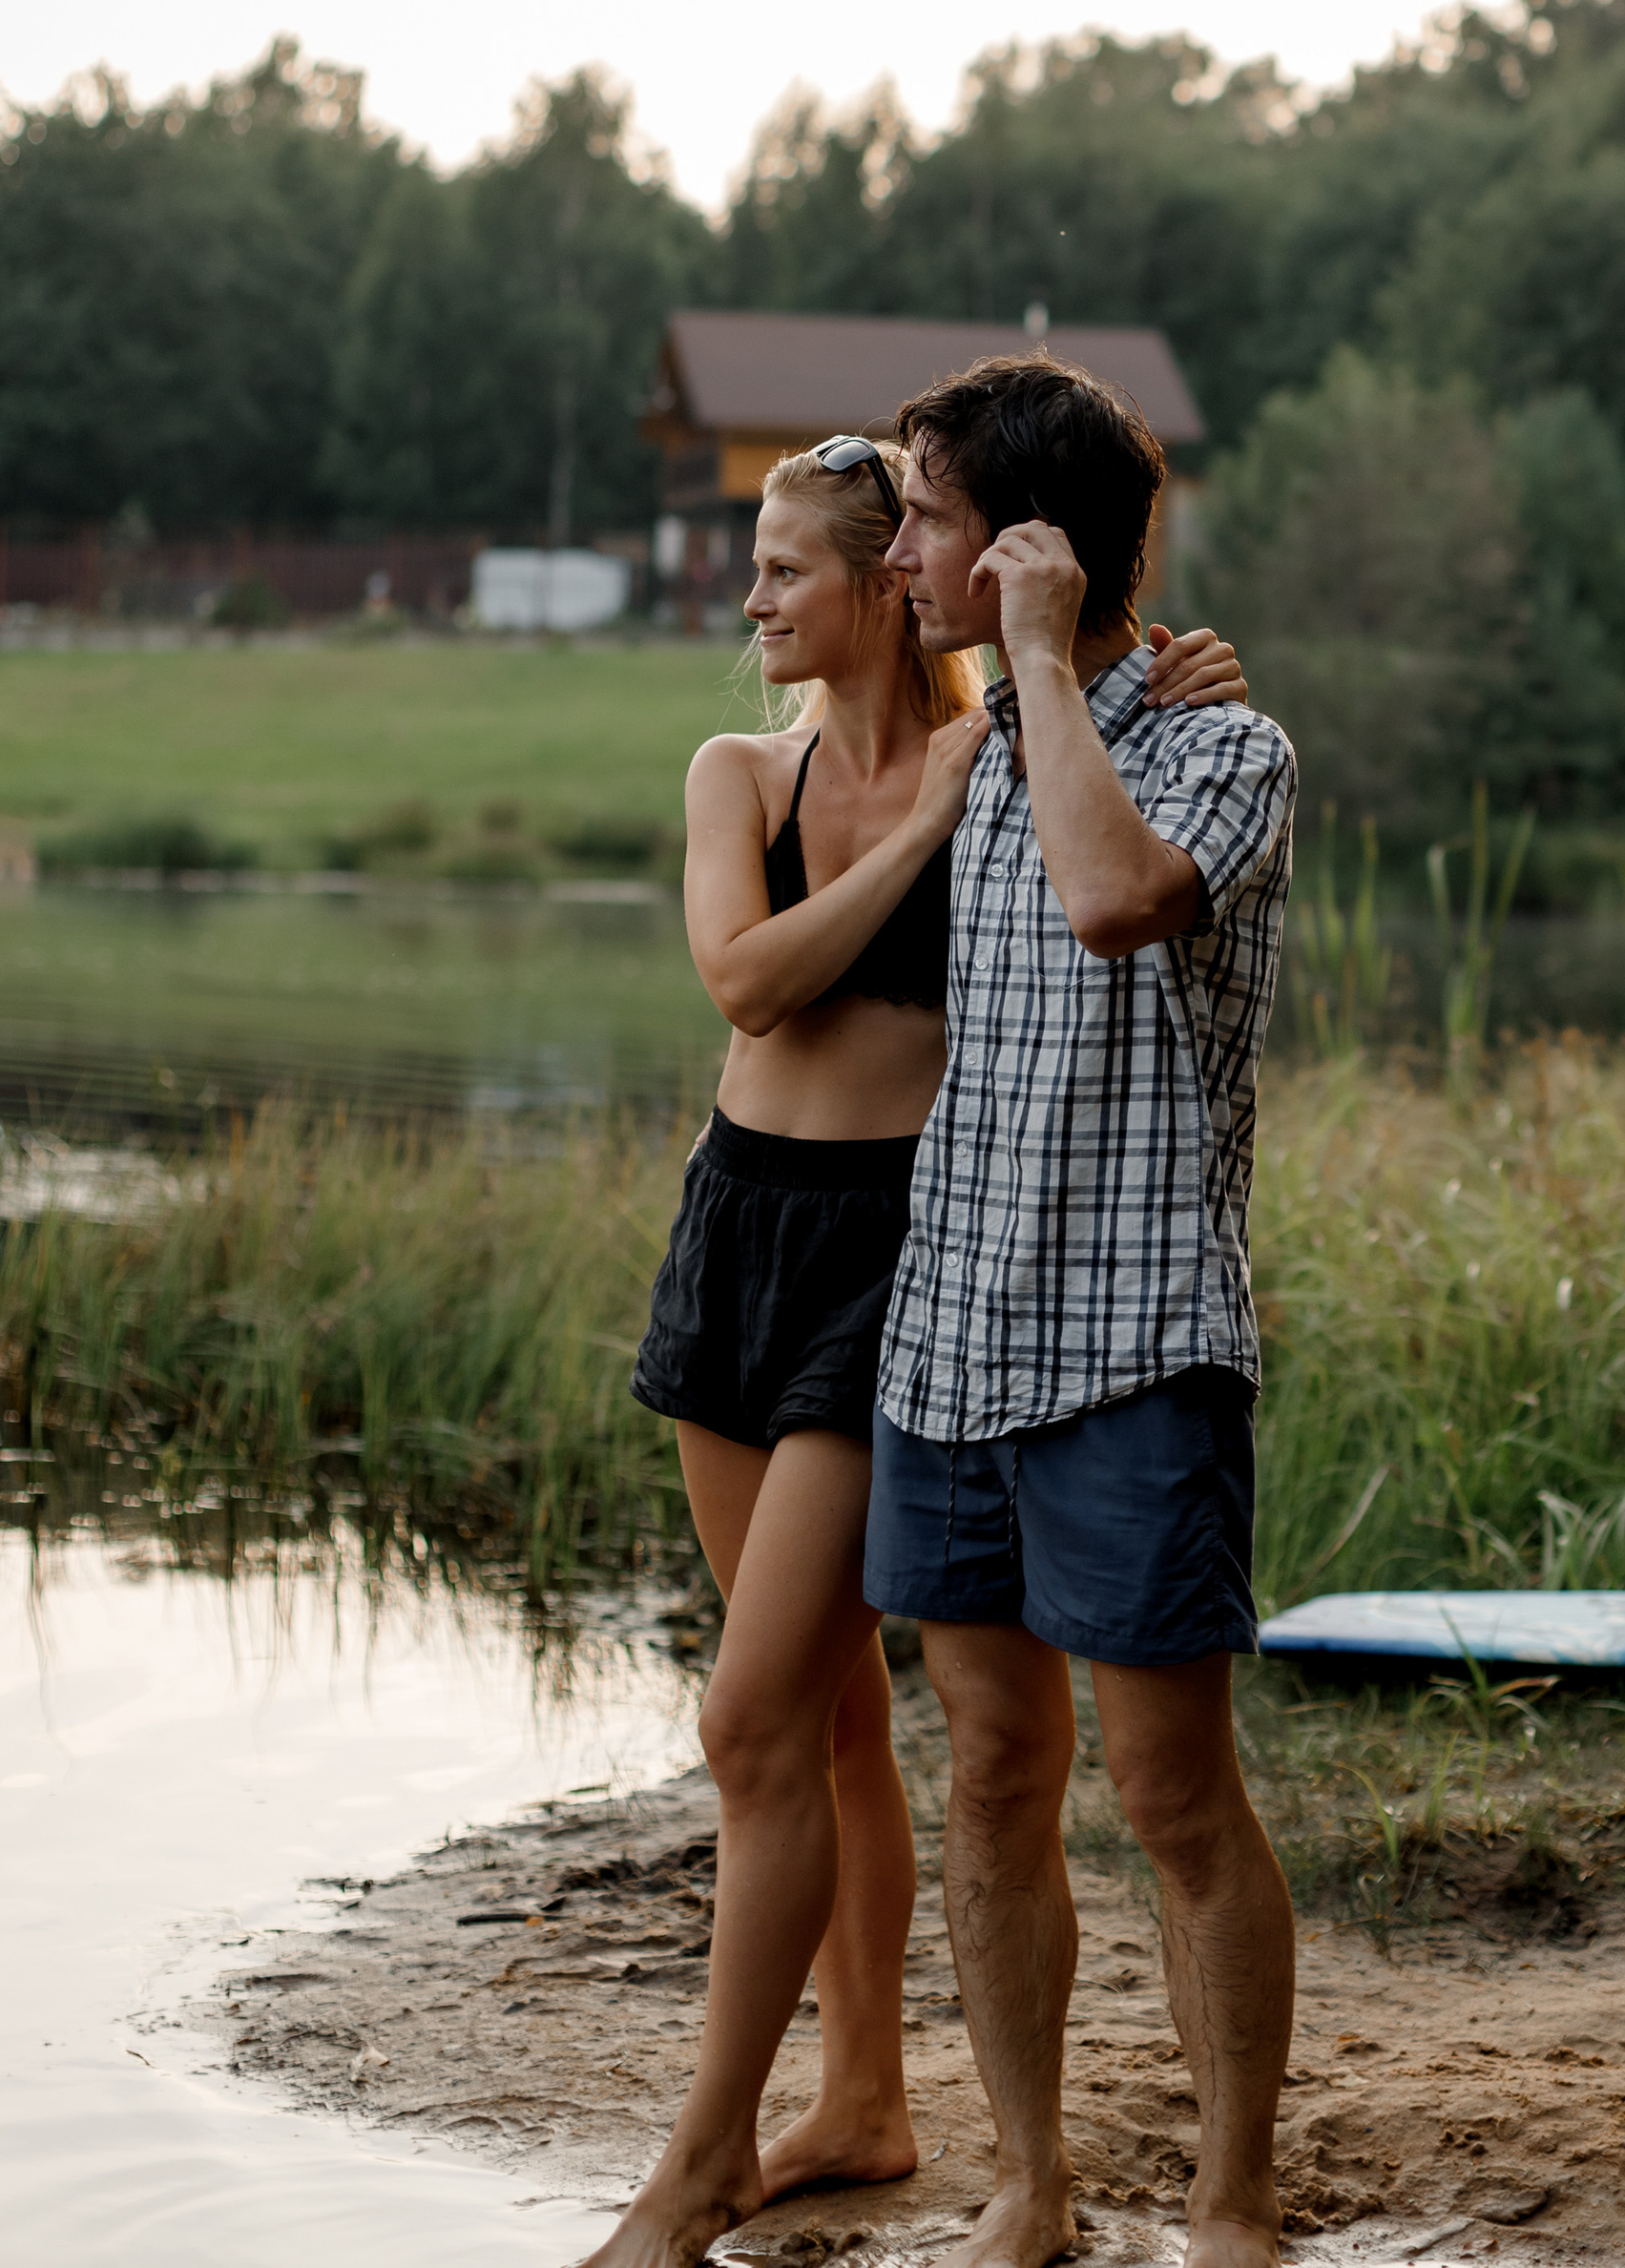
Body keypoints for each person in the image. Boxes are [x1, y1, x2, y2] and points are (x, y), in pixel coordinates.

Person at [582, 434, 1248, 2268]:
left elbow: (1122, 778)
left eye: (786, 569)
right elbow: (746, 980)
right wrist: (929, 829)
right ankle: (862, 2102)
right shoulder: (745, 770)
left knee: (748, 1715)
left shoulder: (1023, 758)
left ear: (890, 584)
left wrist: (1165, 669)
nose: (753, 600)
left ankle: (700, 2163)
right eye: (755, 568)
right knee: (828, 1723)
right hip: (739, 1229)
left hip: (901, 1252)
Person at [867, 356, 1299, 2268]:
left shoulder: (1226, 748)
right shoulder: (962, 739)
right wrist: (1009, 672)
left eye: (929, 518)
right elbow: (799, 657)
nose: (900, 556)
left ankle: (1227, 2198)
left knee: (1172, 1794)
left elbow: (1117, 895)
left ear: (1030, 551)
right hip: (948, 1339)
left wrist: (1049, 664)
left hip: (1134, 1345)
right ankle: (1031, 2186)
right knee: (987, 1778)